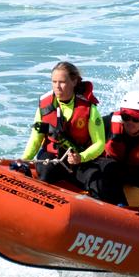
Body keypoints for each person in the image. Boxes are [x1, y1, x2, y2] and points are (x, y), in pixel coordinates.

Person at [20, 61, 107, 197]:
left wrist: (81, 157)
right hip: (52, 158)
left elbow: (100, 143)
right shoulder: (44, 106)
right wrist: (24, 159)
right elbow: (36, 139)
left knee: (98, 182)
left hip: (79, 161)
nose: (57, 87)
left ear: (74, 82)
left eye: (62, 82)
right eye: (54, 82)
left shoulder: (89, 109)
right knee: (45, 170)